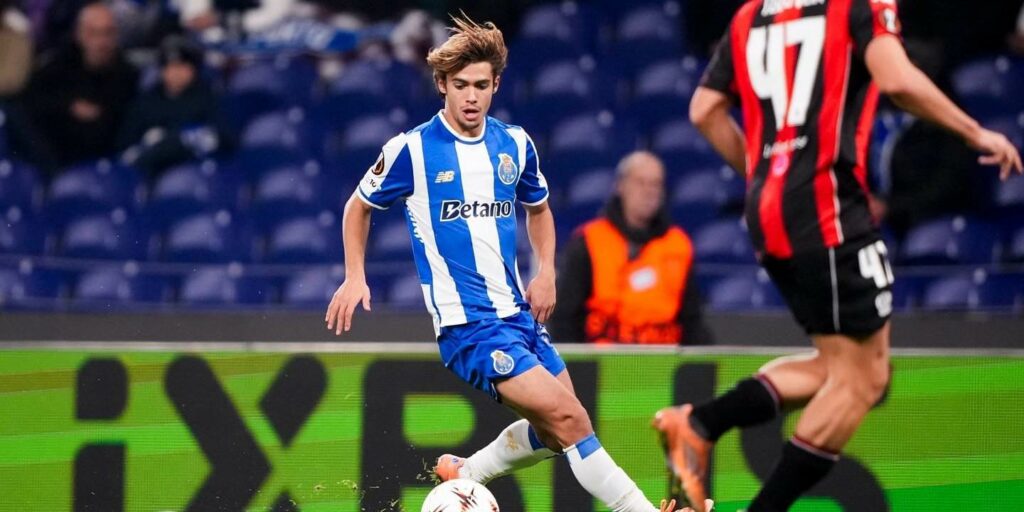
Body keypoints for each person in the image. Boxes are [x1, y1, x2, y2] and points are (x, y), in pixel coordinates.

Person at [324, 15, 704, 512]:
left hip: (517, 316)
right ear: (442, 84)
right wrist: (356, 275)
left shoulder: (515, 145)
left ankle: (469, 472)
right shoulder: (412, 150)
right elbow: (358, 206)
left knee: (555, 430)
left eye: (481, 85)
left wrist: (545, 270)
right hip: (470, 326)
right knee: (573, 421)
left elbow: (539, 209)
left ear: (496, 84)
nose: (471, 97)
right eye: (460, 85)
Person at [653, 1, 1023, 511]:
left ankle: (698, 424)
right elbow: (896, 80)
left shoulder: (749, 15)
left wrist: (766, 180)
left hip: (770, 211)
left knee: (838, 369)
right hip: (827, 207)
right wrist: (976, 131)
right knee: (865, 378)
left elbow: (703, 111)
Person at [548, 151, 712, 345]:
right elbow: (564, 318)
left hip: (661, 364)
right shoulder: (589, 241)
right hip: (601, 364)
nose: (649, 191)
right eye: (640, 182)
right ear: (621, 186)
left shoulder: (678, 245)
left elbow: (692, 320)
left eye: (656, 184)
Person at [15, 2, 138, 173]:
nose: (102, 42)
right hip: (55, 159)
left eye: (108, 33)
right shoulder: (56, 69)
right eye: (93, 33)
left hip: (109, 163)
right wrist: (68, 107)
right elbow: (29, 106)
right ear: (79, 34)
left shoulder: (129, 75)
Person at [117, 35, 234, 175]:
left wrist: (169, 141)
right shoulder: (146, 101)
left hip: (195, 171)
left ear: (193, 69)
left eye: (182, 66)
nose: (176, 73)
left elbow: (223, 138)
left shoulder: (208, 98)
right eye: (170, 67)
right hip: (150, 171)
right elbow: (125, 145)